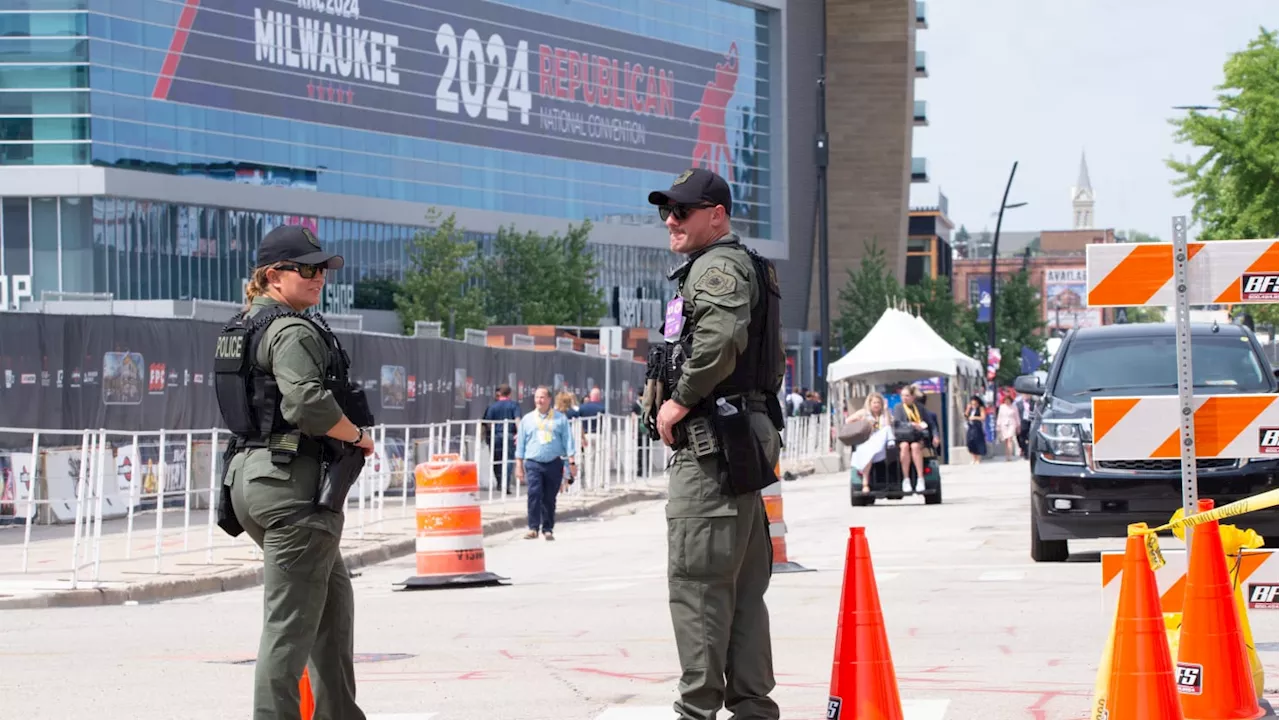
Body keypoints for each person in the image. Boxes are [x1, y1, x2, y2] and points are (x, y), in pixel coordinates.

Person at [213, 224, 375, 720]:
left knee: (331, 609)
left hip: (252, 478)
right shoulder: (291, 329)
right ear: (272, 275)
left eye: (321, 268)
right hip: (291, 486)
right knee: (289, 628)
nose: (318, 277)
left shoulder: (242, 326)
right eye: (306, 268)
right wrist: (356, 436)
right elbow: (306, 401)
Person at [644, 167, 787, 720]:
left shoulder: (717, 267)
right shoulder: (735, 263)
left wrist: (678, 399)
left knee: (699, 583)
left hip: (712, 444)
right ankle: (752, 707)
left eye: (681, 211)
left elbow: (720, 338)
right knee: (743, 587)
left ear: (717, 215)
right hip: (738, 438)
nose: (670, 221)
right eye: (666, 211)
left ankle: (696, 710)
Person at [515, 386, 577, 541]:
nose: (539, 400)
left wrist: (571, 462)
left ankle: (547, 528)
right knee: (534, 494)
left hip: (553, 463)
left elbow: (568, 440)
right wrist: (519, 465)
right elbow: (521, 444)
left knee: (549, 497)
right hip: (533, 463)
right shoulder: (527, 420)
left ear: (549, 399)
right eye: (536, 397)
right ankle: (533, 527)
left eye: (542, 397)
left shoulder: (560, 419)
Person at [482, 385, 521, 494]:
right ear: (509, 394)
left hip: (495, 436)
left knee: (496, 460)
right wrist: (520, 434)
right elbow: (517, 420)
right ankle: (506, 484)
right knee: (508, 460)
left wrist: (490, 434)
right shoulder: (514, 405)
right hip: (509, 435)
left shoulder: (492, 406)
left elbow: (487, 423)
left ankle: (499, 482)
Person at [892, 384, 929, 490]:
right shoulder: (898, 407)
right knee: (904, 446)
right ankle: (906, 479)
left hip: (917, 437)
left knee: (915, 447)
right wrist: (911, 425)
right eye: (903, 395)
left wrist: (934, 435)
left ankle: (920, 479)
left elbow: (929, 422)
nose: (904, 398)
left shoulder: (919, 407)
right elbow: (897, 423)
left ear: (913, 397)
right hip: (903, 436)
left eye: (907, 395)